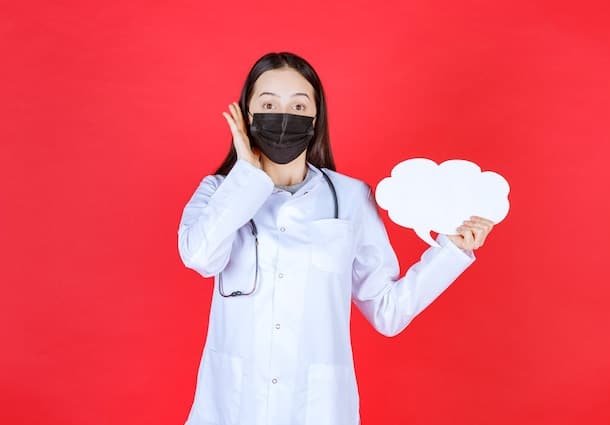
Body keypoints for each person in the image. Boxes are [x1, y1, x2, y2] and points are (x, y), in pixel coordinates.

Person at [177, 52, 495, 425]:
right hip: (232, 405)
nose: (284, 116)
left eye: (298, 105)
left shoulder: (350, 198)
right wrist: (246, 175)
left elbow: (387, 312)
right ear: (247, 115)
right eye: (268, 104)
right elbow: (199, 256)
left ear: (314, 118)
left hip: (317, 408)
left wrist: (452, 251)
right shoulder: (218, 192)